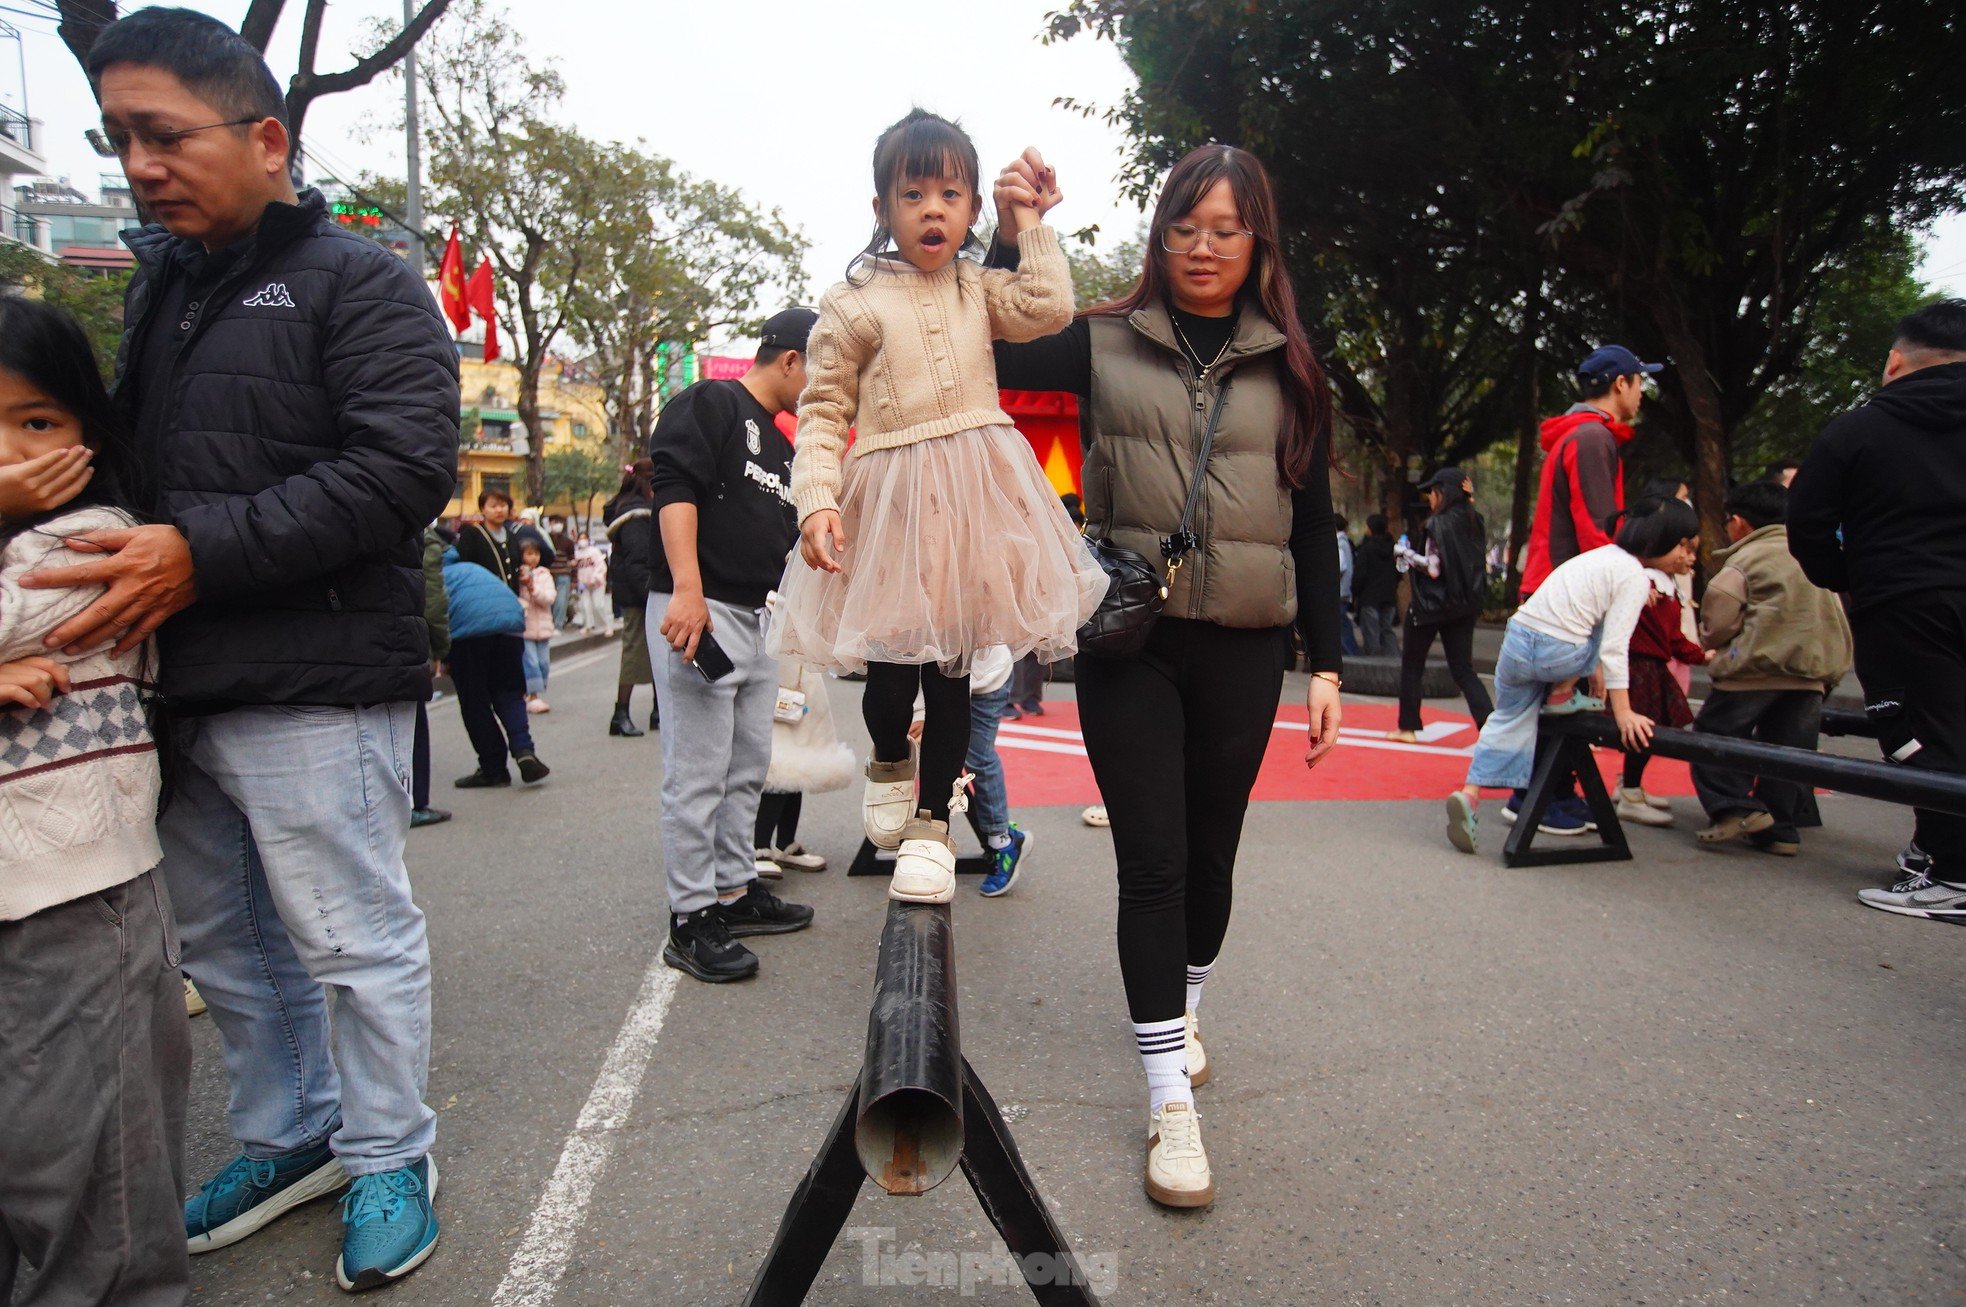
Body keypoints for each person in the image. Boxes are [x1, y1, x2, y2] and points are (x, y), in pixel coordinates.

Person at [26, 10, 457, 1289]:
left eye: (163, 134)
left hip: (316, 675)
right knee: (224, 946)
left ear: (265, 138)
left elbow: (400, 470)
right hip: (176, 680)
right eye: (120, 140)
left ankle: (391, 1148)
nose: (140, 165)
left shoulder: (361, 279)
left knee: (346, 932)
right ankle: (291, 1132)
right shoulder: (160, 282)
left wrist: (194, 552)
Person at [992, 143, 1343, 1210]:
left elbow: (1315, 520)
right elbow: (988, 334)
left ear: (1257, 241)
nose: (1202, 247)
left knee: (1211, 854)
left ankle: (1184, 1004)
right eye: (1184, 226)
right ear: (1160, 235)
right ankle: (1168, 1103)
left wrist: (1326, 659)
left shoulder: (1291, 367)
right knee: (1151, 860)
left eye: (1225, 229)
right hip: (1129, 640)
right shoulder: (1098, 340)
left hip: (1245, 638)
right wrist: (1015, 231)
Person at [771, 110, 1104, 908]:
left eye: (950, 194)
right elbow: (820, 413)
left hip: (970, 499)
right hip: (888, 501)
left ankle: (931, 823)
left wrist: (1030, 224)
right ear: (882, 206)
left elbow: (1049, 307)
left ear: (970, 211)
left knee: (954, 669)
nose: (932, 208)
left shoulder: (976, 287)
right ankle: (890, 756)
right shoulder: (851, 302)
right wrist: (816, 499)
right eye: (912, 192)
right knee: (891, 675)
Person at [0, 298, 189, 1306]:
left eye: (36, 424)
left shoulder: (95, 538)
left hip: (74, 890)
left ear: (87, 432)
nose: (12, 457)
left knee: (80, 1166)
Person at [651, 308, 819, 983]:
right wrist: (686, 589)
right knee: (697, 773)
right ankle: (690, 919)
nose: (820, 390)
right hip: (703, 608)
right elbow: (675, 487)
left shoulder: (782, 445)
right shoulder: (713, 401)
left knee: (748, 763)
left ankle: (733, 889)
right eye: (821, 373)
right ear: (790, 360)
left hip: (757, 616)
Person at [1789, 298, 1966, 919]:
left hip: (1907, 599)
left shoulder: (1860, 428)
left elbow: (1808, 524)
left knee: (1923, 737)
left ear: (1895, 361)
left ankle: (1954, 875)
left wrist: (1852, 578)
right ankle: (1937, 853)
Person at [1444, 497, 1701, 855]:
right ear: (1659, 539)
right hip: (1559, 655)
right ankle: (1563, 692)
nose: (1687, 557)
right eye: (1684, 546)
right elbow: (1614, 647)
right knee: (1603, 627)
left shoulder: (1600, 556)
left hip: (1517, 641)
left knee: (1506, 720)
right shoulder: (1634, 577)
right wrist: (1624, 712)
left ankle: (1469, 795)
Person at [1512, 344, 1666, 835]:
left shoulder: (1577, 436)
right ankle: (1541, 797)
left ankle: (1541, 792)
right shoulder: (1592, 439)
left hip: (1551, 585)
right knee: (1562, 700)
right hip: (1569, 597)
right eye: (1640, 382)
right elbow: (1598, 531)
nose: (1642, 393)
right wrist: (1620, 592)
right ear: (1620, 383)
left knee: (1552, 700)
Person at [1690, 479, 1850, 855]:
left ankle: (1735, 807)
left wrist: (1711, 640)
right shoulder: (1811, 553)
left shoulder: (1748, 558)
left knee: (1714, 736)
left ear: (1741, 522)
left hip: (1755, 668)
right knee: (1790, 751)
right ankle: (1781, 829)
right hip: (1812, 672)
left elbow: (1720, 616)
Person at [1613, 509, 1708, 827]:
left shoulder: (1664, 584)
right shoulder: (1646, 583)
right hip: (1639, 668)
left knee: (1643, 733)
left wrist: (1699, 655)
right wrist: (1699, 655)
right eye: (1685, 548)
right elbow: (1671, 637)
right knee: (1642, 732)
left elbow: (1673, 637)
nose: (1690, 557)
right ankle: (1629, 791)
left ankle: (1631, 786)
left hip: (1650, 667)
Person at [1387, 468, 1492, 744]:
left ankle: (1407, 727)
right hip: (1463, 606)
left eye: (1433, 492)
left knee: (1412, 665)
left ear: (1443, 493)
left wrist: (1405, 553)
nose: (1431, 498)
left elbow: (1433, 568)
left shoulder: (1437, 524)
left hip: (1430, 607)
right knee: (1463, 669)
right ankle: (1489, 726)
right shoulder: (1475, 522)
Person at [441, 545, 547, 787]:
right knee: (509, 693)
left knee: (475, 702)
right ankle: (523, 750)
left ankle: (493, 768)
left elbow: (435, 617)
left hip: (469, 635)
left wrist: (441, 655)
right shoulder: (471, 568)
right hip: (510, 627)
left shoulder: (433, 577)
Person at [754, 634, 856, 877]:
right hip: (778, 671)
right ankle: (759, 847)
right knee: (781, 764)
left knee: (799, 761)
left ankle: (785, 843)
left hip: (801, 674)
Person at [602, 462, 657, 736]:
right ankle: (620, 714)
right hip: (640, 593)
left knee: (659, 649)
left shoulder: (630, 507)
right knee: (635, 650)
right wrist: (651, 596)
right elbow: (638, 560)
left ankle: (658, 711)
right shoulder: (636, 513)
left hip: (638, 590)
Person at [412, 524, 453, 827]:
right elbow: (433, 598)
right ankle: (415, 803)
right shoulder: (421, 534)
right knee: (412, 727)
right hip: (404, 641)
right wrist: (440, 647)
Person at [517, 536, 556, 713]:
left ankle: (532, 692)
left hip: (544, 627)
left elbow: (549, 598)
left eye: (536, 554)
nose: (532, 558)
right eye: (529, 554)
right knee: (531, 662)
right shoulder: (517, 575)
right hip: (525, 628)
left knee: (543, 663)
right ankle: (533, 696)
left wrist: (533, 587)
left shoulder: (544, 574)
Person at [1351, 512, 1398, 656]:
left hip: (1370, 597)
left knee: (1372, 635)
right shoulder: (1393, 548)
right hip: (1389, 596)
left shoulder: (1366, 549)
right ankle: (1394, 663)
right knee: (1387, 630)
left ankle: (1373, 666)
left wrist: (1355, 592)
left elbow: (1360, 574)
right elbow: (1399, 571)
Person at [572, 533, 615, 635]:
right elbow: (576, 569)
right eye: (580, 538)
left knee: (598, 605)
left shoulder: (594, 551)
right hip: (584, 583)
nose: (582, 540)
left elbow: (601, 566)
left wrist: (595, 578)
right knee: (585, 605)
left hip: (597, 583)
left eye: (584, 538)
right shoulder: (577, 553)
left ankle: (608, 626)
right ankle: (588, 625)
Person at [1333, 513, 1358, 656]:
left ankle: (1352, 656)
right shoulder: (1345, 542)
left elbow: (1340, 566)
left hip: (1340, 591)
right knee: (1344, 626)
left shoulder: (1340, 543)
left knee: (1342, 629)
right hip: (1344, 591)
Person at [545, 514, 575, 628]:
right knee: (549, 600)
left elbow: (573, 560)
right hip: (548, 574)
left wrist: (574, 579)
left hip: (563, 574)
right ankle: (550, 622)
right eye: (554, 522)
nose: (557, 525)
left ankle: (558, 624)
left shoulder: (568, 542)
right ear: (549, 524)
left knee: (561, 600)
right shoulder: (545, 539)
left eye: (559, 522)